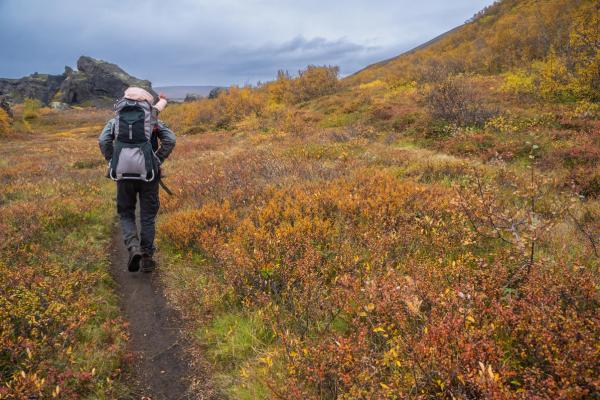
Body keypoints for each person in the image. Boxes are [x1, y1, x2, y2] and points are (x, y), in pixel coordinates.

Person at [99, 87, 176, 272]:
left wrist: (113, 161)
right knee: (148, 216)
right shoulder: (153, 118)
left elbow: (103, 141)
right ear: (146, 103)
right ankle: (148, 257)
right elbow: (170, 140)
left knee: (126, 213)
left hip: (124, 174)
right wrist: (155, 160)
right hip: (149, 175)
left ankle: (133, 247)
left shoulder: (115, 121)